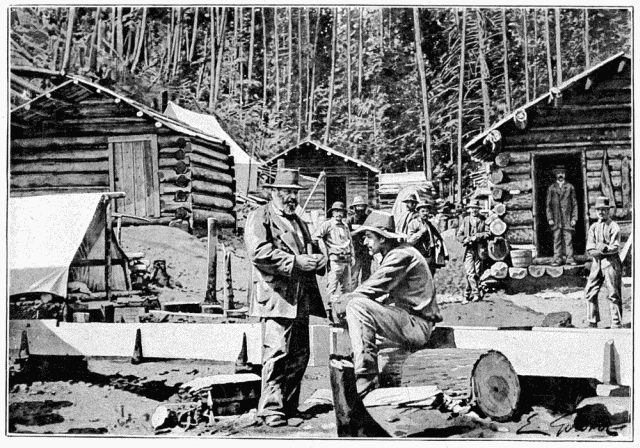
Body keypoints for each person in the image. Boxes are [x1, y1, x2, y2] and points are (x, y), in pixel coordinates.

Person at [244, 168, 327, 427]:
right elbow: (258, 252)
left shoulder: (299, 221)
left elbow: (311, 249)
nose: (292, 198)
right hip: (276, 296)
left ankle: (290, 406)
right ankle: (271, 409)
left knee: (300, 354)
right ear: (274, 192)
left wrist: (319, 260)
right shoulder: (260, 216)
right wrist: (294, 261)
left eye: (295, 193)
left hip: (301, 297)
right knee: (277, 353)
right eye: (287, 192)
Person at [333, 210, 443, 398]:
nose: (365, 242)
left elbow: (373, 288)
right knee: (357, 307)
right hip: (406, 322)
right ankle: (364, 372)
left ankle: (365, 376)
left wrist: (341, 304)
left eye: (368, 237)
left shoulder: (402, 255)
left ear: (383, 238)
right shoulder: (393, 254)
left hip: (417, 324)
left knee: (356, 306)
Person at [584, 196, 623, 329]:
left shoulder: (614, 227)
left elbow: (616, 247)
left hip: (610, 263)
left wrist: (605, 248)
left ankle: (616, 323)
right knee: (589, 291)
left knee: (613, 293)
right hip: (596, 263)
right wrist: (596, 250)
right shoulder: (593, 227)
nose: (601, 212)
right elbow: (590, 246)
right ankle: (592, 321)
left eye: (604, 210)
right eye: (598, 210)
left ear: (608, 211)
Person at [313, 201, 355, 320]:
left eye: (341, 212)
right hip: (335, 260)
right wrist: (324, 251)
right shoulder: (327, 225)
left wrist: (353, 256)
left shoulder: (345, 226)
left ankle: (343, 313)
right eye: (336, 211)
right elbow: (315, 237)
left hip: (346, 259)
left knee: (347, 288)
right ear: (332, 213)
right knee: (332, 286)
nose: (339, 214)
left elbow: (350, 242)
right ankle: (329, 312)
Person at [456, 199, 490, 302]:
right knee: (470, 272)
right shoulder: (466, 220)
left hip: (479, 249)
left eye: (476, 208)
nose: (474, 210)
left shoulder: (483, 219)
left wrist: (477, 236)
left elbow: (488, 233)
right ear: (469, 209)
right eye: (472, 208)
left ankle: (466, 294)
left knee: (477, 273)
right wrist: (465, 239)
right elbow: (458, 235)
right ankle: (476, 294)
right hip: (468, 249)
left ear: (478, 210)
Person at [546, 166, 578, 266]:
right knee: (557, 240)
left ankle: (570, 259)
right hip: (556, 219)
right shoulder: (551, 188)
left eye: (562, 173)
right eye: (558, 173)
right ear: (556, 175)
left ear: (565, 175)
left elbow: (574, 204)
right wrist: (550, 218)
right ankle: (557, 259)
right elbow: (548, 205)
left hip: (567, 219)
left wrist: (574, 218)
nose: (560, 175)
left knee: (568, 239)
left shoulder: (570, 187)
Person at [407, 200, 449, 275]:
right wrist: (420, 232)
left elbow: (437, 237)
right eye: (422, 211)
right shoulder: (413, 223)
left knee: (430, 275)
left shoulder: (429, 224)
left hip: (430, 255)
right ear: (418, 212)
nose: (425, 213)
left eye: (427, 211)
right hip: (419, 255)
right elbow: (409, 240)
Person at [347, 196, 373, 287]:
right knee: (354, 275)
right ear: (354, 209)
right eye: (358, 209)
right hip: (355, 251)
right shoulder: (350, 220)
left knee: (366, 275)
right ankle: (353, 295)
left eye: (362, 209)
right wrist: (356, 232)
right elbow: (346, 234)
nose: (360, 211)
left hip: (367, 251)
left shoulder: (368, 219)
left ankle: (364, 294)